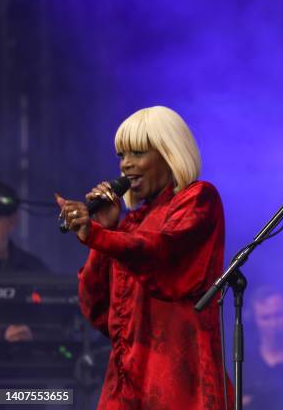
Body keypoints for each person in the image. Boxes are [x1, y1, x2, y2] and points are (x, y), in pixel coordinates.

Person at [56, 106, 232, 409]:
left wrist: (99, 236)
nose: (126, 165)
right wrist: (104, 229)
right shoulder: (130, 224)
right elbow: (97, 310)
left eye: (137, 153)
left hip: (177, 384)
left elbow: (160, 251)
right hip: (125, 382)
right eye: (122, 156)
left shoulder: (199, 199)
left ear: (169, 153)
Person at [0, 181, 50, 342]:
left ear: (13, 221)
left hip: (24, 362)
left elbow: (55, 322)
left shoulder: (33, 269)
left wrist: (30, 333)